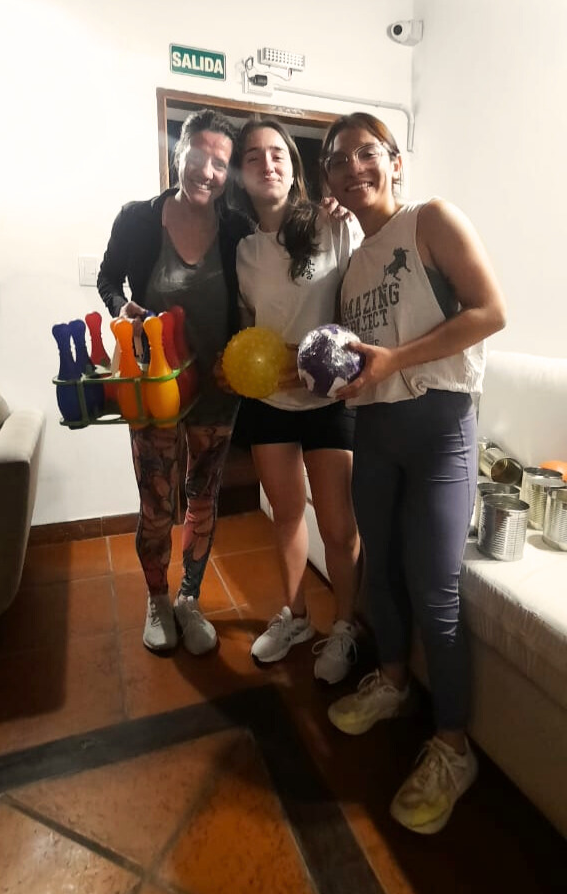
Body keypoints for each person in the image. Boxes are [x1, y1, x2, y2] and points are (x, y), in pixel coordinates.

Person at [320, 112, 506, 833]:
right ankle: (394, 682)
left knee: (435, 587)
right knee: (381, 572)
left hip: (439, 430)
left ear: (395, 161)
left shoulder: (432, 219)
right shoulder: (353, 267)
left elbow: (491, 311)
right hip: (375, 430)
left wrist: (395, 361)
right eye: (338, 160)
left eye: (366, 153)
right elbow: (361, 360)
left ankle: (454, 748)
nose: (353, 168)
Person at [97, 108, 253, 654]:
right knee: (157, 503)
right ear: (178, 153)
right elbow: (107, 278)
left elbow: (271, 274)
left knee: (202, 500)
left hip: (217, 389)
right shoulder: (138, 219)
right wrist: (121, 307)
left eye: (220, 163)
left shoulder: (238, 229)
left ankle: (189, 598)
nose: (207, 171)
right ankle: (157, 599)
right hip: (154, 390)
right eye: (198, 156)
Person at [230, 117, 362, 684]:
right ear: (241, 173)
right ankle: (297, 617)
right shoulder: (242, 250)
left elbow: (360, 305)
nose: (268, 164)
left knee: (338, 526)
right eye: (254, 156)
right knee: (285, 515)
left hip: (329, 401)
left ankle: (345, 626)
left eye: (277, 154)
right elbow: (249, 324)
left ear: (293, 166)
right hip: (270, 403)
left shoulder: (334, 226)